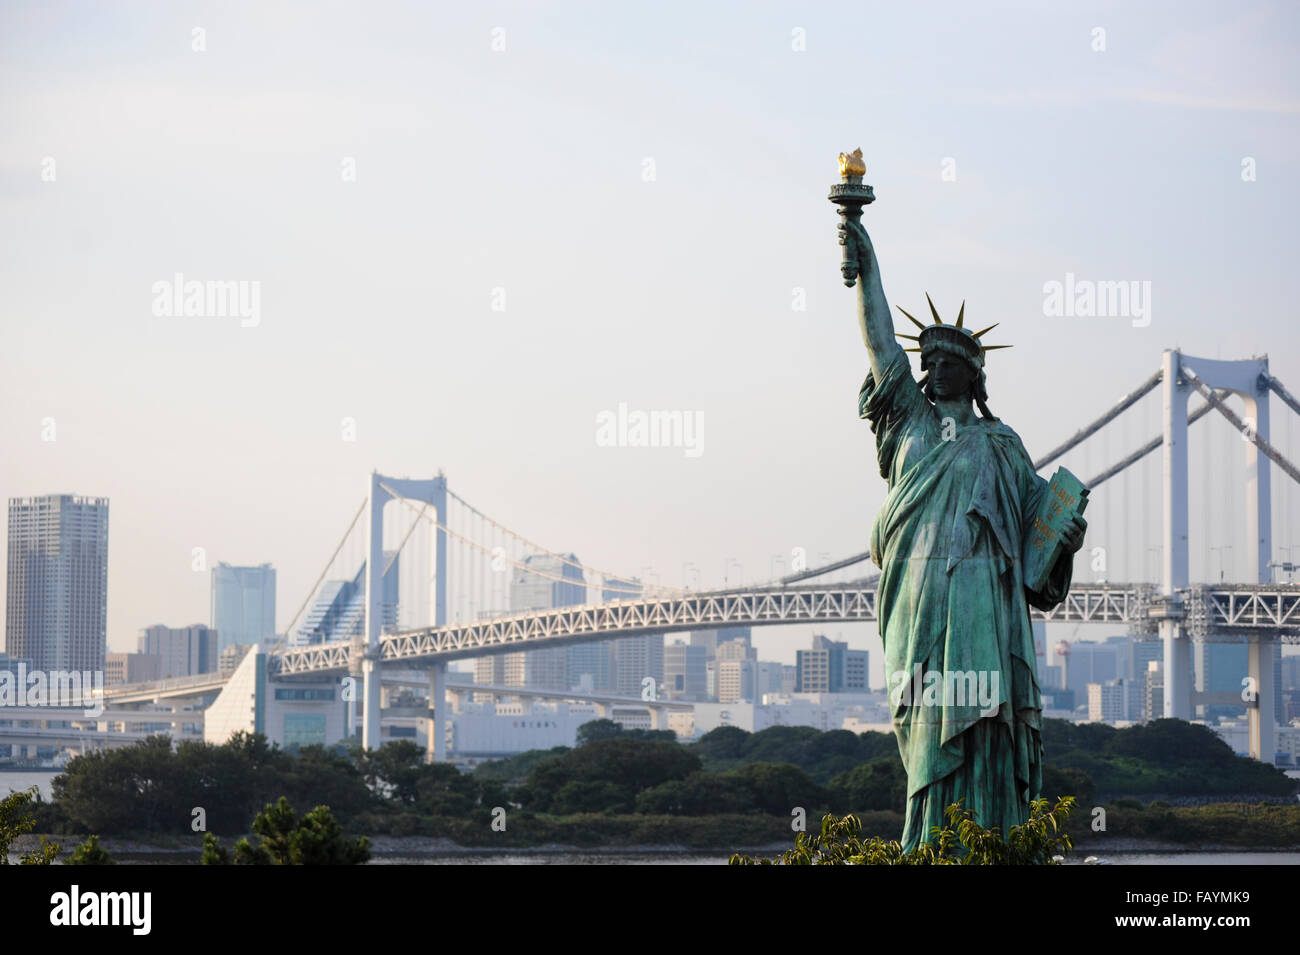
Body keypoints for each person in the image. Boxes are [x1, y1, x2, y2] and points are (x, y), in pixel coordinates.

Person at [838, 218, 1086, 851]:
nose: (938, 369)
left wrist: (1067, 536)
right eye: (931, 361)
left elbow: (1037, 545)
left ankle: (990, 840)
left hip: (985, 597)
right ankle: (928, 844)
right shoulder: (908, 422)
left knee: (987, 723)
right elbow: (877, 344)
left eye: (952, 362)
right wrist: (865, 258)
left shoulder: (1002, 446)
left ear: (976, 375)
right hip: (917, 595)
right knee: (926, 724)